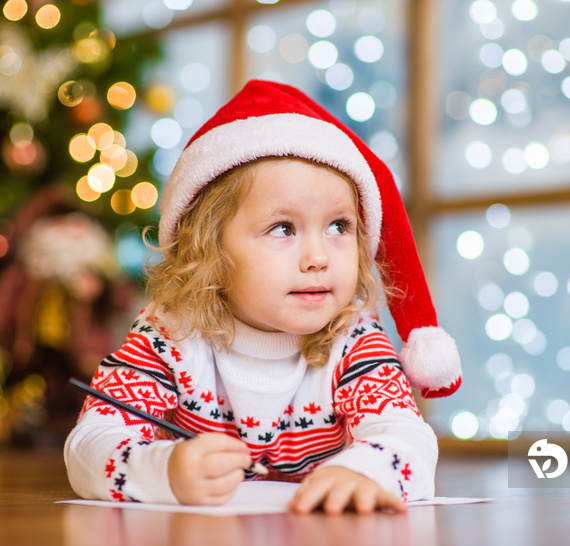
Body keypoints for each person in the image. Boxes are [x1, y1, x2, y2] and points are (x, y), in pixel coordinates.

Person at [64, 80, 462, 514]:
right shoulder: (170, 334)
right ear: (207, 250)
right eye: (283, 229)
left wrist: (365, 471)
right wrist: (165, 470)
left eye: (339, 227)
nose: (318, 257)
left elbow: (410, 437)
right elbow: (90, 444)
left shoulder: (354, 340)